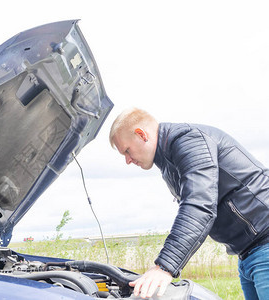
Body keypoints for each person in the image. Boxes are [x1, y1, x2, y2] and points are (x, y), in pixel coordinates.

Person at [109, 107, 269, 299]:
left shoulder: (189, 140)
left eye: (127, 150)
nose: (127, 160)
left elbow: (199, 205)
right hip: (248, 254)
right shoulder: (168, 164)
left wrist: (165, 266)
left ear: (142, 135)